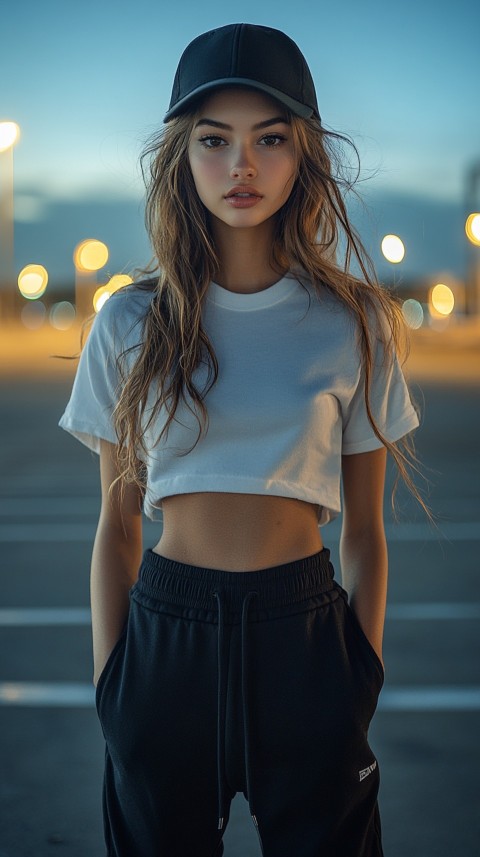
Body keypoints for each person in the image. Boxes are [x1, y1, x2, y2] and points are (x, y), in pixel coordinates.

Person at [59, 23, 422, 857]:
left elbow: (364, 530)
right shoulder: (129, 321)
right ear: (183, 157)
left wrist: (358, 676)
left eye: (271, 139)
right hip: (164, 639)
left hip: (305, 639)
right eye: (215, 141)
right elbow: (117, 528)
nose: (242, 167)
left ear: (305, 157)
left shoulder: (355, 323)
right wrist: (114, 682)